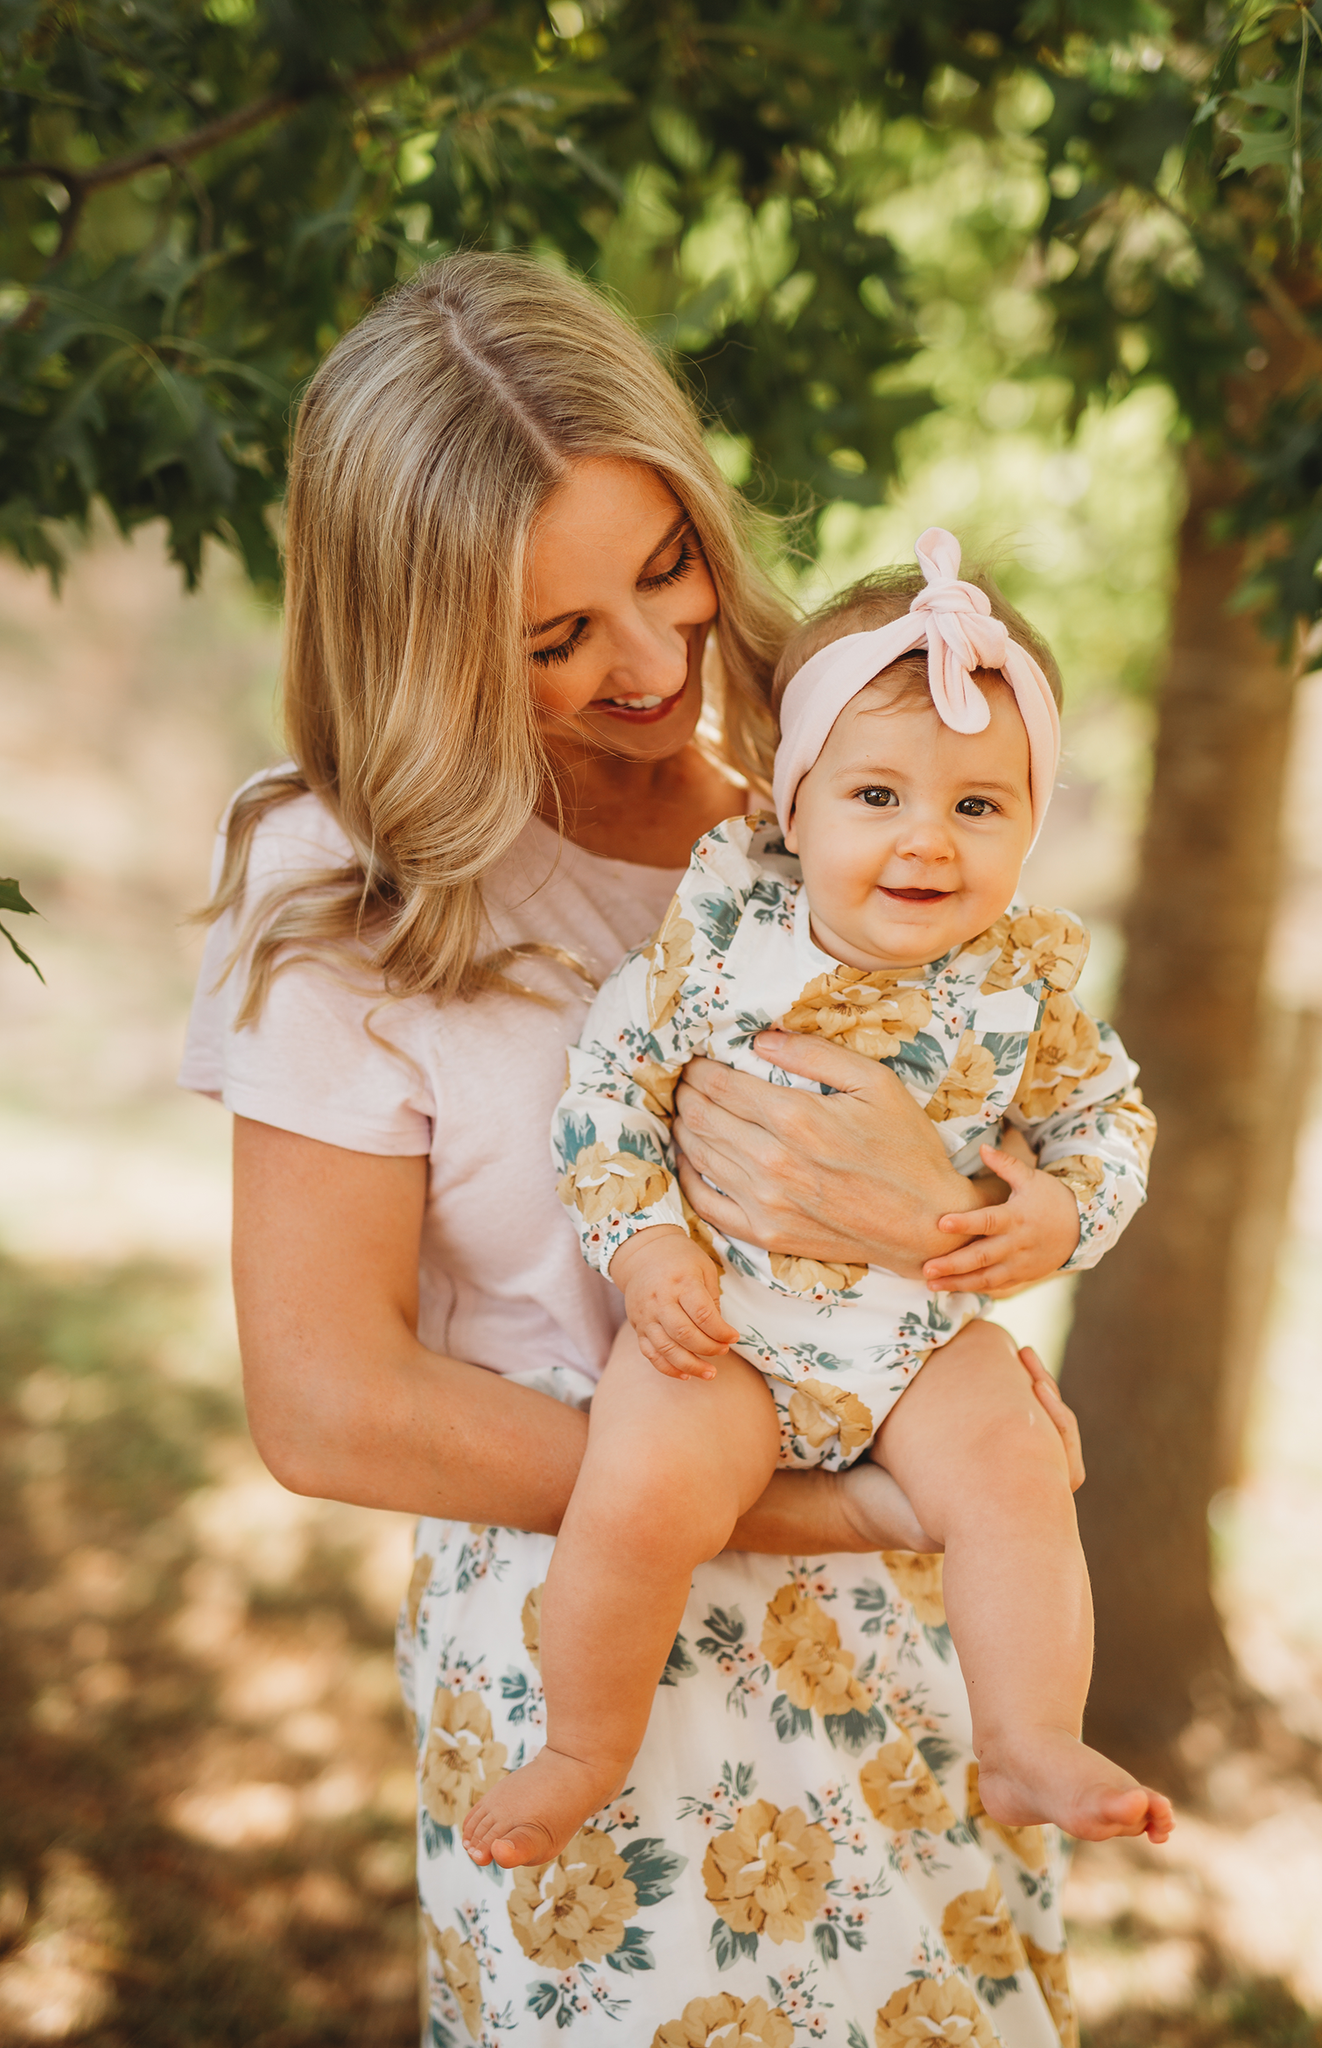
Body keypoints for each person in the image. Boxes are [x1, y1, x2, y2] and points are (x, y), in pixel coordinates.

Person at [185, 250, 1092, 2048]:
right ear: (416, 634)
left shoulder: (824, 779)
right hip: (600, 1684)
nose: (654, 661)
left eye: (665, 569)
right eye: (553, 637)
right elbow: (325, 1404)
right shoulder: (343, 884)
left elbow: (1000, 1127)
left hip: (913, 1644)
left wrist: (991, 1210)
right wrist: (823, 1512)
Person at [460, 531, 1172, 1876]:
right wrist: (646, 1241)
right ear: (794, 805)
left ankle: (1029, 1739)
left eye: (978, 806)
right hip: (725, 1328)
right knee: (640, 1490)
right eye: (878, 795)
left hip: (910, 1347)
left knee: (1017, 1462)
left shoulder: (1025, 988)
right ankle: (578, 1746)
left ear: (1031, 821)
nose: (926, 839)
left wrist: (1063, 1214)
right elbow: (609, 1086)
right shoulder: (723, 942)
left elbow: (1108, 1121)